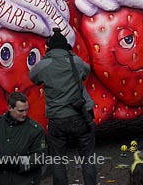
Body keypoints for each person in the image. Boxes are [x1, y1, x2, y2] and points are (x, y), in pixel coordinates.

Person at [29, 29, 96, 185]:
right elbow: (86, 72)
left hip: (57, 119)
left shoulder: (44, 65)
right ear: (66, 47)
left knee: (58, 159)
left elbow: (33, 77)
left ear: (49, 48)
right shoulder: (75, 61)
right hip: (80, 116)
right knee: (88, 157)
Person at [0, 91, 46, 185]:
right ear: (10, 108)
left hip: (23, 181)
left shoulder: (36, 130)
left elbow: (40, 157)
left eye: (26, 110)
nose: (25, 114)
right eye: (21, 111)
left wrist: (17, 163)